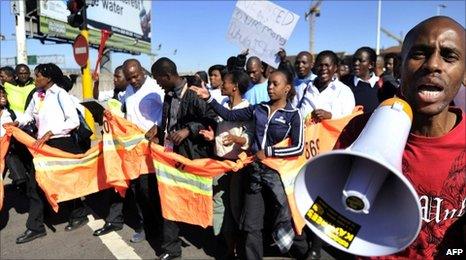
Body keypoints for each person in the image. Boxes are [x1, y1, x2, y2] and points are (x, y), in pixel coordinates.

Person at [336, 16, 465, 259]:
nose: (433, 65)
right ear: (398, 67)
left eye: (449, 56)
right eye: (419, 54)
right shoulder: (359, 130)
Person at [191, 69, 309, 260]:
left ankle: (304, 251)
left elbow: (298, 147)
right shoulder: (258, 108)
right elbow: (229, 116)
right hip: (254, 173)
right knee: (251, 225)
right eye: (269, 83)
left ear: (287, 89)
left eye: (275, 84)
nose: (270, 87)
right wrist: (209, 99)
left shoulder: (293, 115)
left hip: (278, 178)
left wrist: (270, 152)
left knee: (285, 217)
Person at [5, 63, 90, 244]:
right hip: (43, 146)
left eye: (38, 76)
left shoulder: (61, 94)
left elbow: (73, 121)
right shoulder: (37, 95)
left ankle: (79, 213)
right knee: (35, 184)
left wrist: (52, 131)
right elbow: (28, 116)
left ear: (48, 78)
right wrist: (16, 124)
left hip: (61, 143)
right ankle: (36, 227)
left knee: (65, 183)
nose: (35, 79)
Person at [150, 57, 217, 260]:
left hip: (194, 156)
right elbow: (167, 121)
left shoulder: (195, 93)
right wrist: (157, 132)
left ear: (167, 76)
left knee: (199, 197)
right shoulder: (168, 95)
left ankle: (211, 239)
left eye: (158, 79)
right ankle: (171, 248)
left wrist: (189, 130)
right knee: (169, 197)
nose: (157, 83)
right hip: (171, 156)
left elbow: (212, 119)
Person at [198, 70, 252, 259]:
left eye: (225, 82)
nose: (221, 84)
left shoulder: (247, 108)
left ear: (235, 86)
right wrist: (215, 138)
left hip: (236, 167)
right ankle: (228, 248)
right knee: (219, 203)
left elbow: (249, 137)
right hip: (218, 164)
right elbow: (223, 125)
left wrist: (238, 139)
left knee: (236, 207)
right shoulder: (223, 104)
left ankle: (239, 247)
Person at [298, 50, 355, 121]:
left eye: (327, 65)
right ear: (315, 67)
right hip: (305, 131)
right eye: (320, 65)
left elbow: (348, 118)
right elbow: (294, 113)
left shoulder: (344, 91)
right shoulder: (304, 88)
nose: (323, 68)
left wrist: (330, 116)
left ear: (335, 68)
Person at [342, 46, 380, 114]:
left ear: (371, 64)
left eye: (361, 60)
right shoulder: (344, 83)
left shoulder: (382, 86)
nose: (356, 63)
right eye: (354, 60)